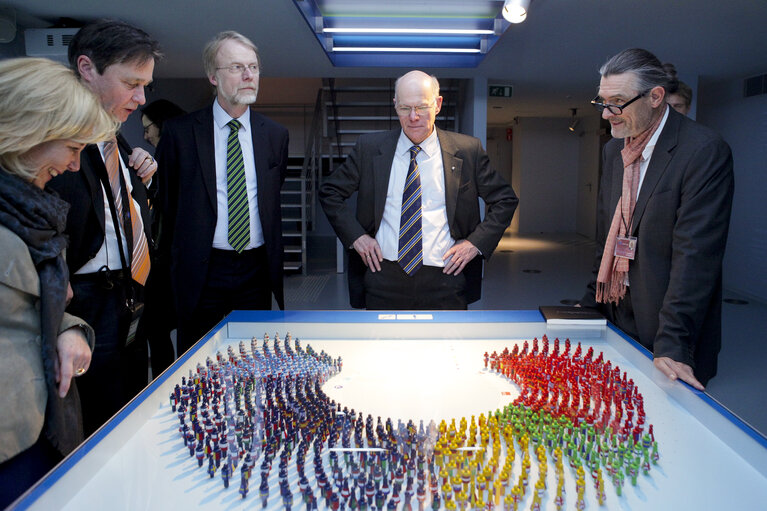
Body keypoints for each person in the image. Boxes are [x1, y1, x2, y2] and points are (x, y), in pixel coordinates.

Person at [0, 57, 117, 506]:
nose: (74, 165)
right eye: (72, 147)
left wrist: (66, 327)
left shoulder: (32, 211)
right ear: (29, 132)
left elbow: (24, 307)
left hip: (44, 423)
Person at [580, 48, 734, 390]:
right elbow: (608, 227)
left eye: (617, 102)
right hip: (617, 307)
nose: (607, 114)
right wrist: (592, 302)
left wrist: (673, 343)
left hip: (667, 323)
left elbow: (695, 255)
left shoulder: (703, 150)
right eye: (602, 102)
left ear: (655, 96)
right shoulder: (613, 149)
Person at [47, 19, 163, 435]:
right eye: (131, 83)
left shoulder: (114, 137)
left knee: (128, 405)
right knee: (94, 420)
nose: (141, 97)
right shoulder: (53, 138)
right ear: (87, 68)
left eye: (145, 84)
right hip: (84, 301)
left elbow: (118, 214)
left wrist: (141, 182)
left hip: (128, 292)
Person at [319, 70, 517, 310]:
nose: (413, 117)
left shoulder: (467, 150)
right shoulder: (369, 149)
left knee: (446, 348)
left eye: (421, 107)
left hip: (446, 278)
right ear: (395, 105)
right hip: (382, 276)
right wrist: (356, 237)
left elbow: (505, 199)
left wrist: (475, 243)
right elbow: (330, 191)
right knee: (382, 347)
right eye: (405, 108)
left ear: (438, 105)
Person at [157, 31, 289, 354]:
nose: (248, 76)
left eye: (254, 67)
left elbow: (270, 200)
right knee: (199, 367)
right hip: (202, 271)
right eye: (236, 68)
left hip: (255, 271)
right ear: (213, 77)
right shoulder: (180, 133)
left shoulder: (275, 135)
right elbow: (167, 205)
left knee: (252, 363)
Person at [136, 99, 186, 377]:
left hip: (170, 263)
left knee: (158, 329)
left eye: (148, 128)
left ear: (163, 125)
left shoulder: (174, 161)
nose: (145, 136)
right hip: (166, 262)